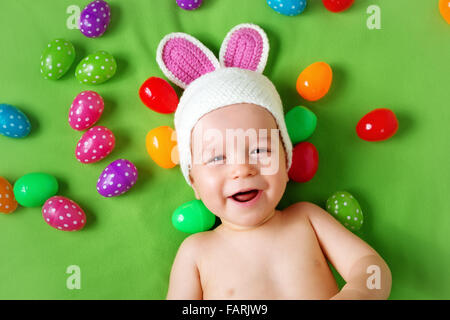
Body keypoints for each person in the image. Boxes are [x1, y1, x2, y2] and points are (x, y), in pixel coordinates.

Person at [156, 23, 391, 300]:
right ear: (193, 181)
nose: (242, 169)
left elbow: (371, 268)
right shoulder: (196, 251)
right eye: (217, 157)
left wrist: (359, 292)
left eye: (259, 150)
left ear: (287, 162)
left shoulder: (306, 219)